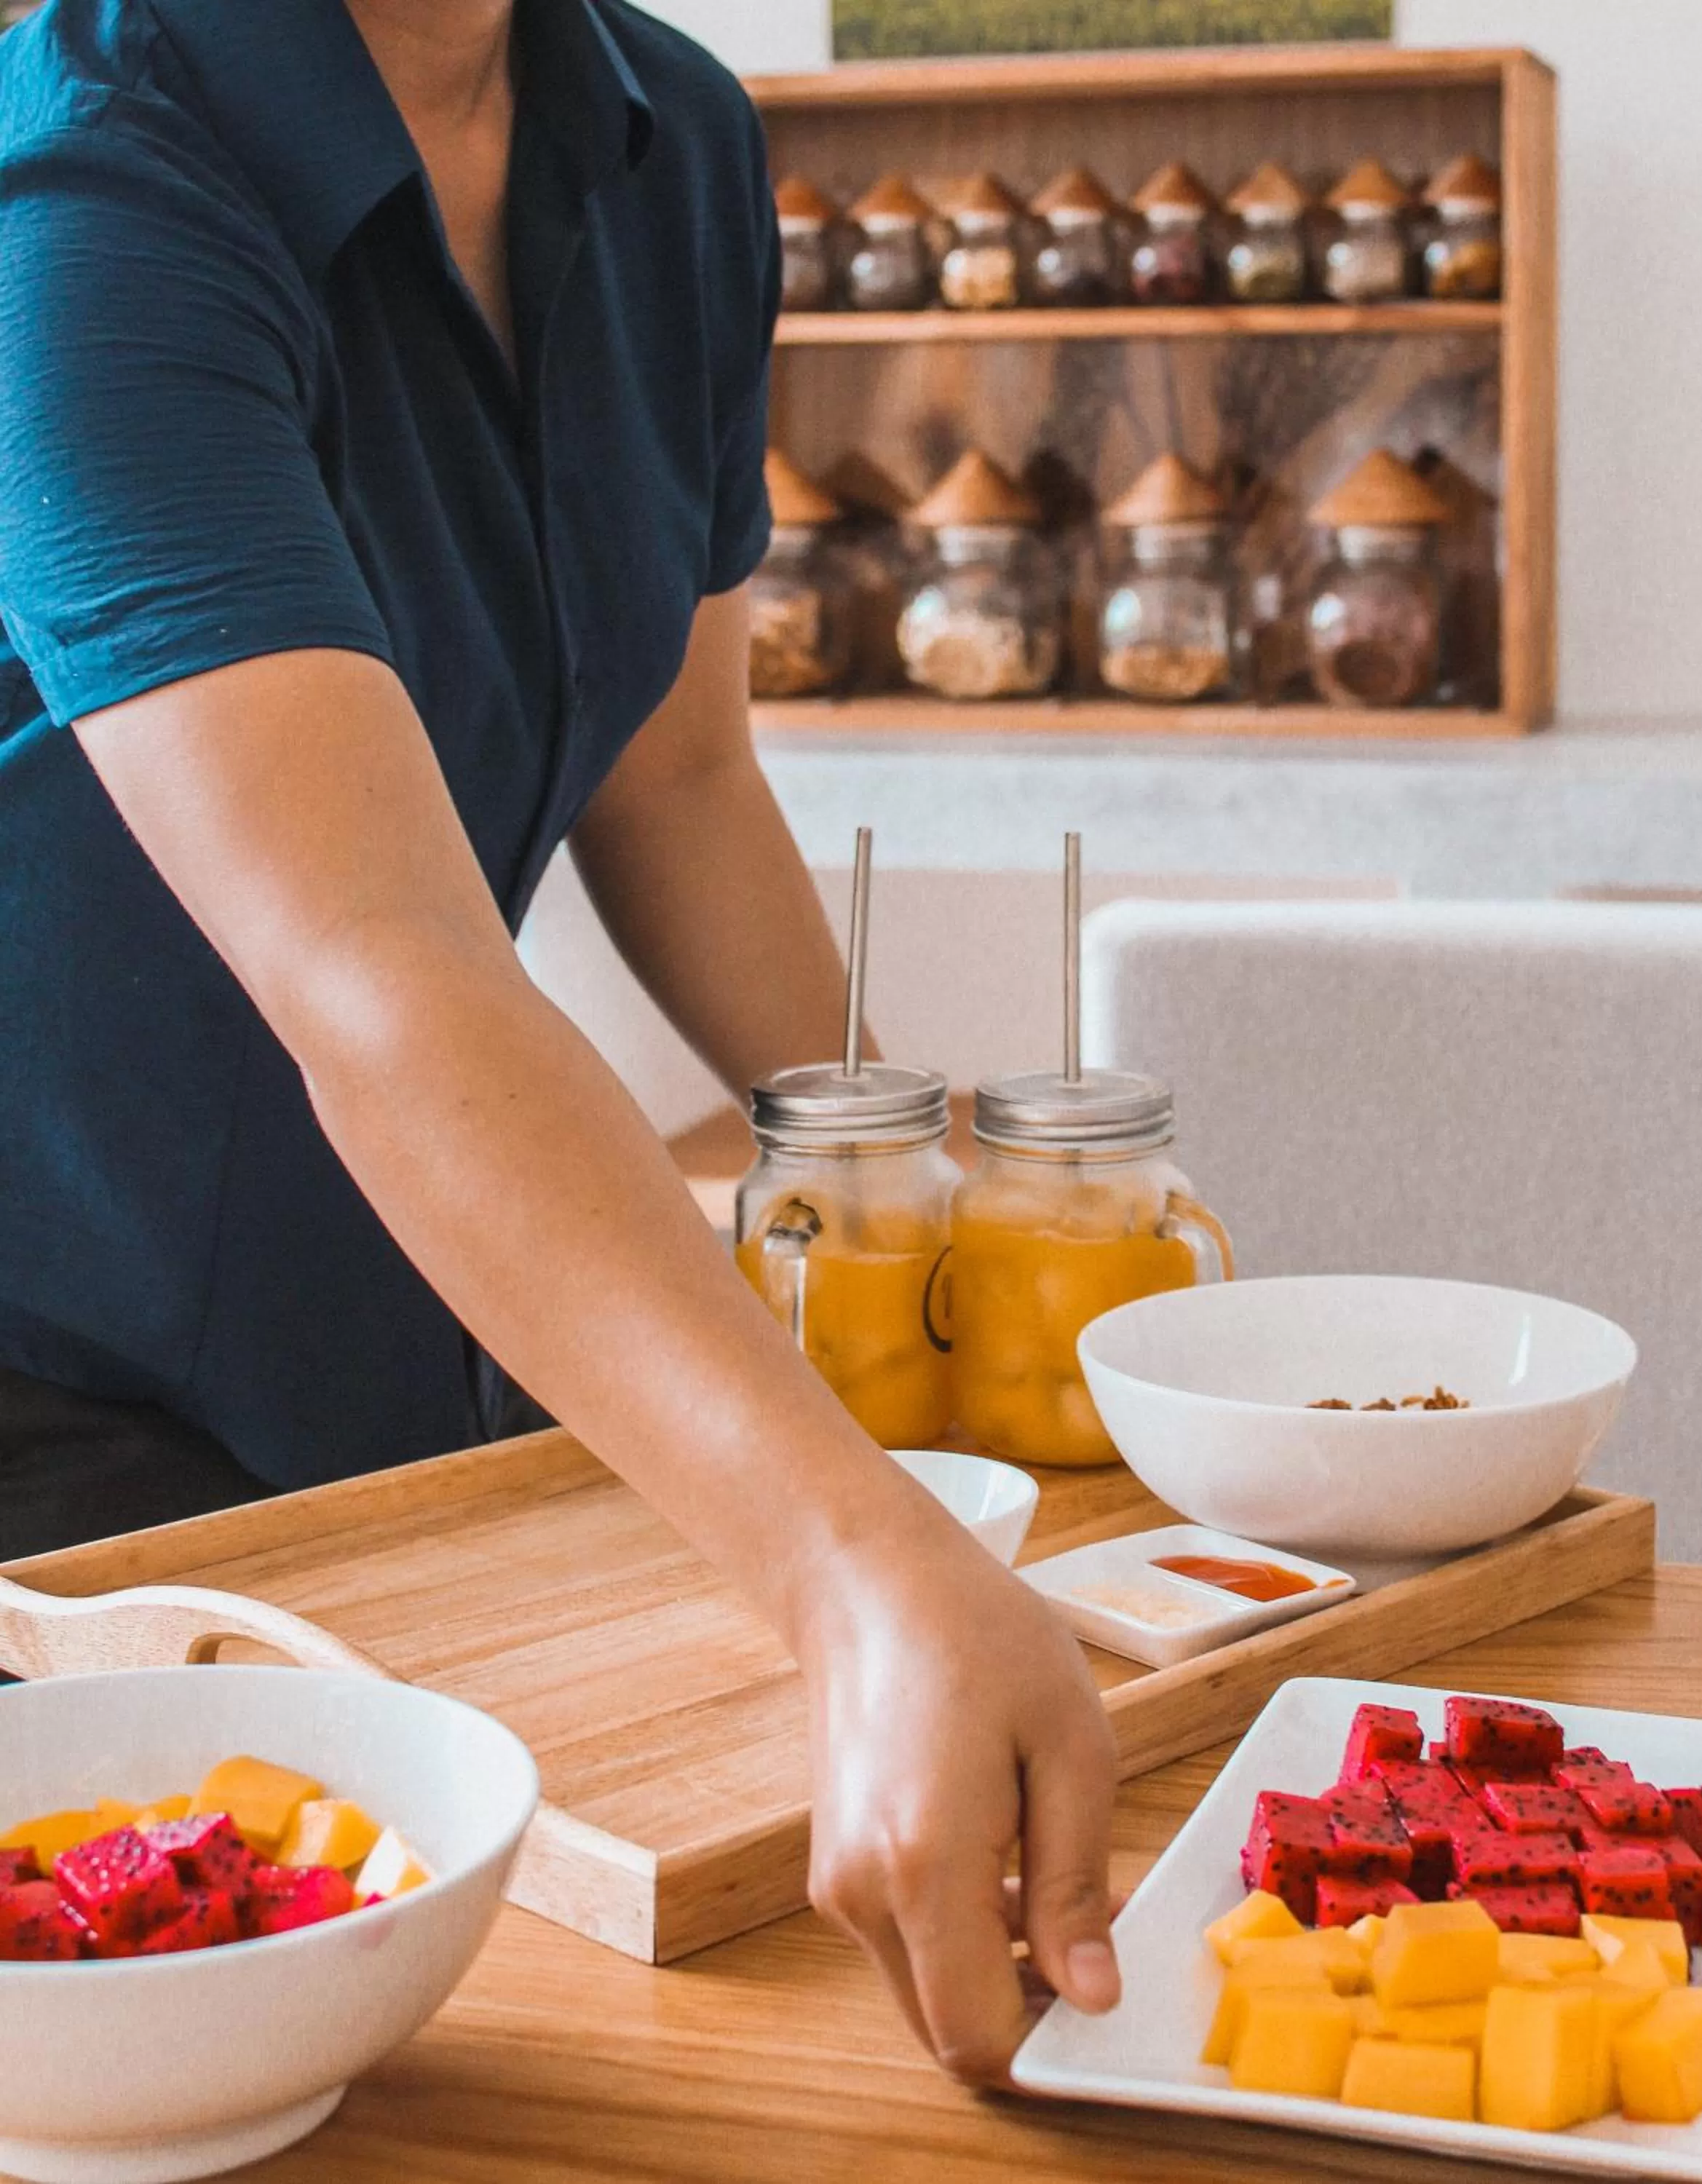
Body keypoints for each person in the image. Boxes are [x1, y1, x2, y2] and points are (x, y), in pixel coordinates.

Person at [0, 0, 1118, 2079]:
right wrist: (852, 1563)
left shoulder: (666, 136)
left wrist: (940, 1195)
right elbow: (377, 958)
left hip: (434, 1363)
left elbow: (680, 776)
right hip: (54, 1432)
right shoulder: (82, 176)